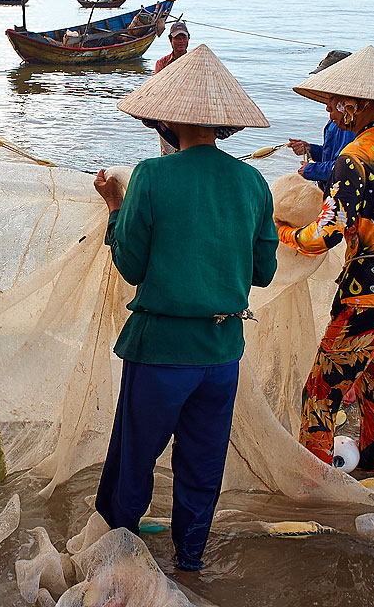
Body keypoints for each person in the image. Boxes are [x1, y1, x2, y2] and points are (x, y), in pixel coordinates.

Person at [93, 45, 277, 572]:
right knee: (202, 464)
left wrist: (114, 207)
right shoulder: (252, 182)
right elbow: (262, 272)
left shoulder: (151, 175)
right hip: (222, 354)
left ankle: (118, 561)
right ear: (223, 124)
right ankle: (191, 562)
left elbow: (131, 263)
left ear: (168, 118)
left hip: (160, 352)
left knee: (134, 458)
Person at [275, 45, 374, 472]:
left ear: (354, 104)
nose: (328, 110)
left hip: (370, 299)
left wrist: (281, 231)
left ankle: (314, 488)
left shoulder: (353, 157)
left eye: (331, 102)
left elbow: (324, 235)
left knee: (321, 394)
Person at [287, 50, 356, 191]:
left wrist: (311, 170)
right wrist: (312, 149)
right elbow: (333, 155)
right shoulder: (336, 120)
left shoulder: (352, 124)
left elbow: (347, 168)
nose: (327, 107)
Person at [154, 21, 191, 155]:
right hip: (167, 115)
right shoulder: (162, 63)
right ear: (170, 40)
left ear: (188, 39)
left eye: (183, 38)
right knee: (168, 155)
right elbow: (158, 89)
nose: (181, 41)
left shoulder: (195, 62)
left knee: (188, 152)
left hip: (189, 114)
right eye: (177, 38)